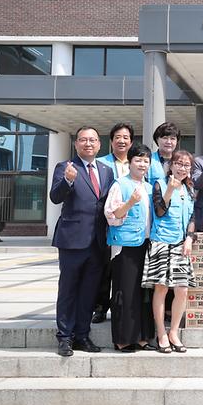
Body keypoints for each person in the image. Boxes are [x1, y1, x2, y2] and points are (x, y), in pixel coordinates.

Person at [49, 126, 114, 357]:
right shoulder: (66, 167)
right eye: (84, 140)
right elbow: (55, 197)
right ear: (76, 144)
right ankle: (64, 337)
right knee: (68, 290)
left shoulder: (106, 171)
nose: (89, 144)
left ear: (99, 145)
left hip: (98, 242)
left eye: (93, 140)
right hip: (72, 240)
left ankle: (82, 335)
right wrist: (67, 181)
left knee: (89, 291)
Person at [142, 149, 196, 354]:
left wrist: (189, 239)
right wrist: (170, 191)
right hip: (161, 242)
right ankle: (161, 333)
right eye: (179, 164)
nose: (182, 168)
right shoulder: (160, 184)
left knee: (182, 289)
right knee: (161, 288)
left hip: (182, 244)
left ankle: (174, 331)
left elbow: (192, 218)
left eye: (186, 165)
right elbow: (159, 211)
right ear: (171, 165)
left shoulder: (190, 189)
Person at [104, 143, 155, 352]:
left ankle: (143, 337)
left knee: (144, 292)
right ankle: (123, 339)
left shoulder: (150, 187)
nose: (142, 164)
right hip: (124, 245)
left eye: (146, 161)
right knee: (125, 292)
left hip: (146, 244)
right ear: (130, 162)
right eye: (138, 160)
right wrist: (130, 202)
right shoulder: (120, 184)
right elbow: (111, 215)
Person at [91, 122, 134, 325]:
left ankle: (121, 306)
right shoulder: (101, 163)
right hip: (106, 223)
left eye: (126, 137)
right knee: (104, 267)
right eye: (118, 137)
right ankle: (100, 307)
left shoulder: (137, 163)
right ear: (111, 141)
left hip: (131, 225)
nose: (122, 140)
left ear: (131, 142)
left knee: (124, 268)